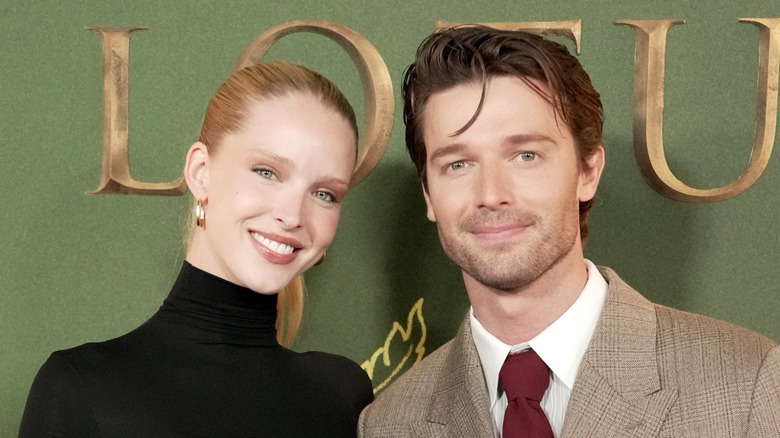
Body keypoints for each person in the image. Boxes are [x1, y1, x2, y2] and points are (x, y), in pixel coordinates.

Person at [359, 26, 780, 437]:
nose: (491, 194)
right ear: (429, 195)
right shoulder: (389, 424)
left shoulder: (746, 384)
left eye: (526, 155)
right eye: (458, 164)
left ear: (587, 171)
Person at [20, 61, 374, 437]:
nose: (292, 216)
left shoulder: (343, 393)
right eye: (266, 172)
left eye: (325, 194)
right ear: (200, 171)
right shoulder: (80, 387)